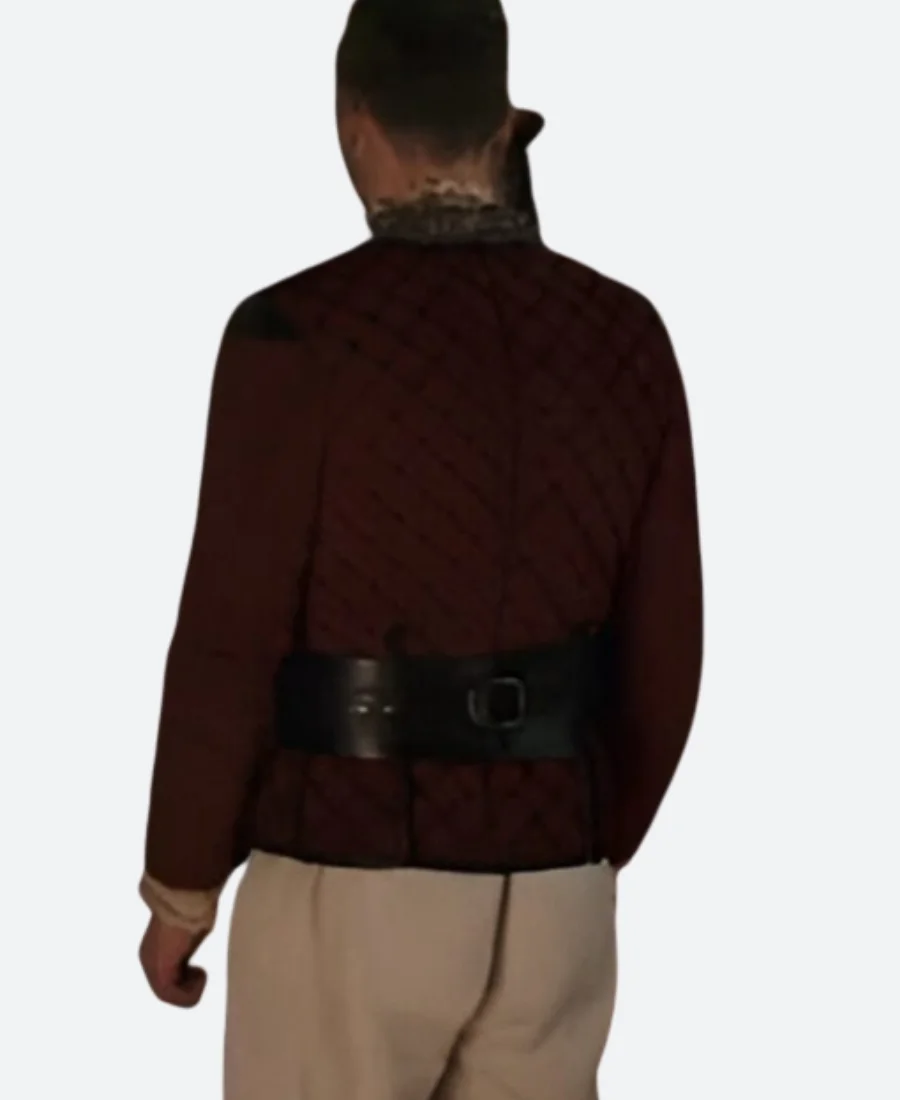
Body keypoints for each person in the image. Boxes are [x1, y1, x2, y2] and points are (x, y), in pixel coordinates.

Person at [137, 1, 704, 1097]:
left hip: (350, 876)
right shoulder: (625, 332)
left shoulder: (295, 333)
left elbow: (227, 643)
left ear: (354, 122)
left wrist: (181, 886)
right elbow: (666, 646)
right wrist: (584, 840)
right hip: (558, 898)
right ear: (503, 122)